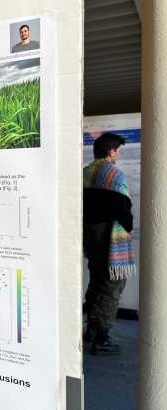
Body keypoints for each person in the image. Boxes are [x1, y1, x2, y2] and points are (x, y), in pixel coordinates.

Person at [83, 132, 135, 356]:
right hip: (111, 238)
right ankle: (102, 338)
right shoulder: (115, 175)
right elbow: (123, 210)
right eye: (118, 151)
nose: (118, 155)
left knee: (96, 280)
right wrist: (129, 228)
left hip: (91, 236)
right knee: (113, 285)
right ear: (111, 151)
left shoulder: (84, 173)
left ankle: (91, 330)